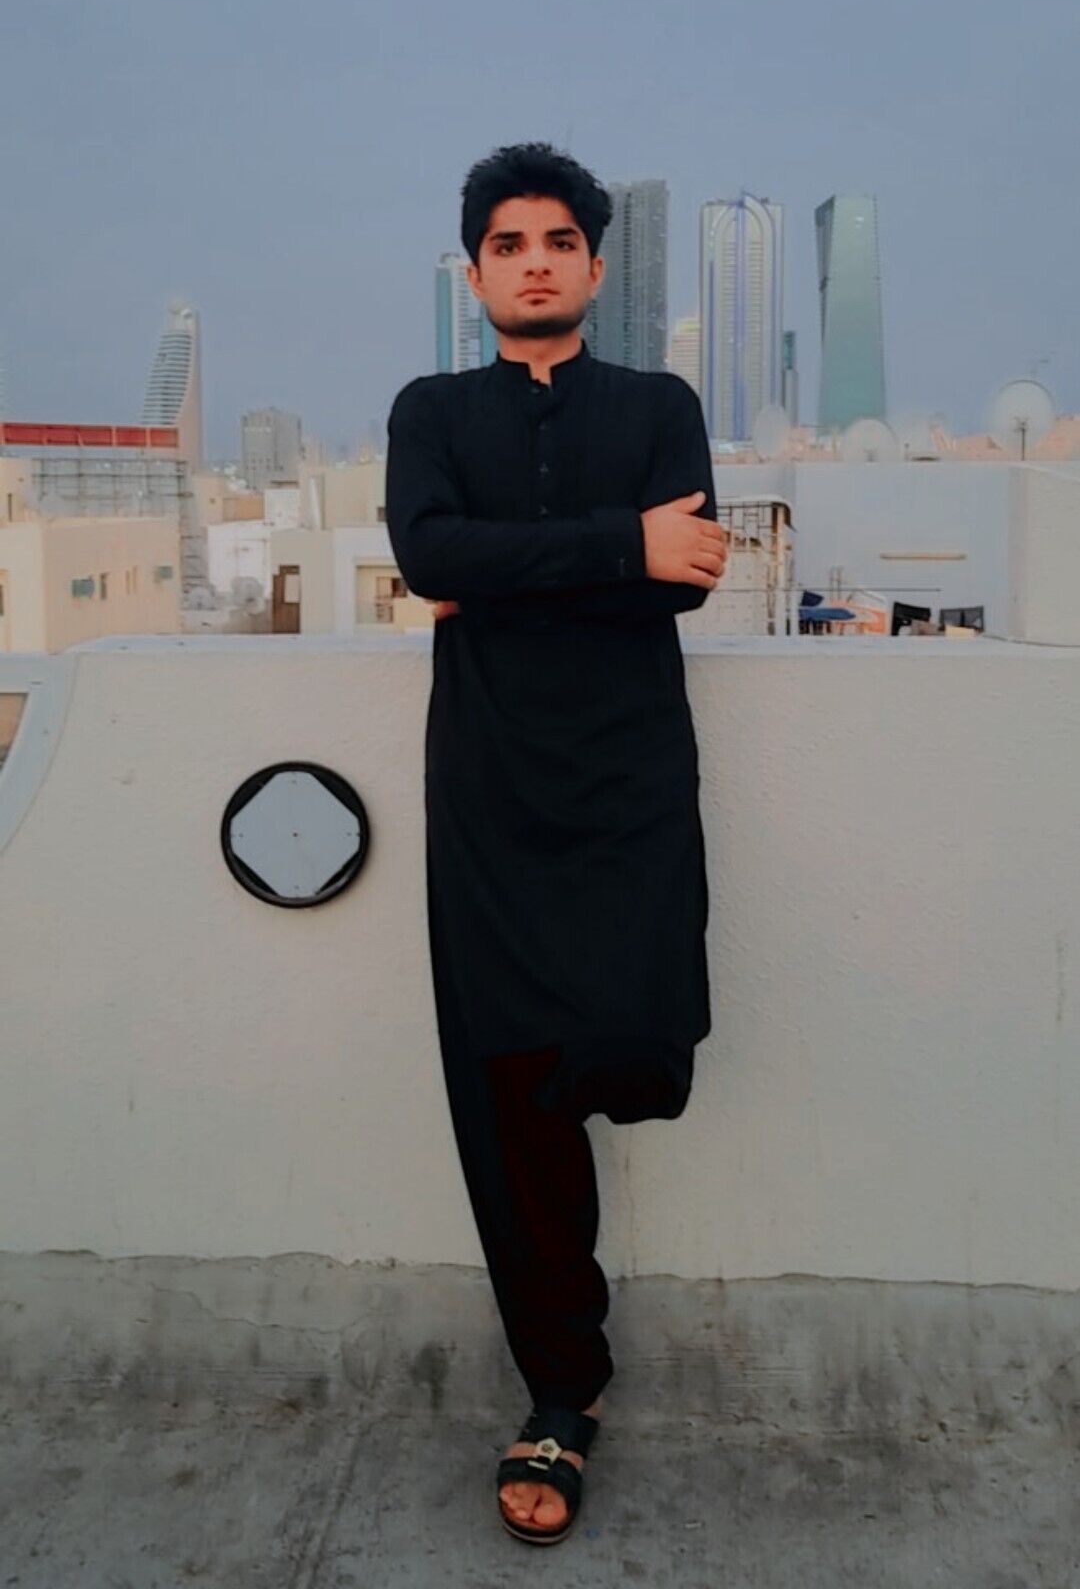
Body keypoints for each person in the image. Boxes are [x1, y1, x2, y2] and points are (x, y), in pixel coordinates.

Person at [385, 142, 727, 1545]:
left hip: (629, 784)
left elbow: (687, 580)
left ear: (595, 263)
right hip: (490, 796)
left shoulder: (658, 406)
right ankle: (561, 1389)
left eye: (558, 240)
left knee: (637, 1042)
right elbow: (429, 553)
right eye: (508, 243)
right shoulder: (431, 410)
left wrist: (510, 570)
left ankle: (568, 1333)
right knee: (511, 1099)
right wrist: (615, 551)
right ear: (475, 274)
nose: (534, 261)